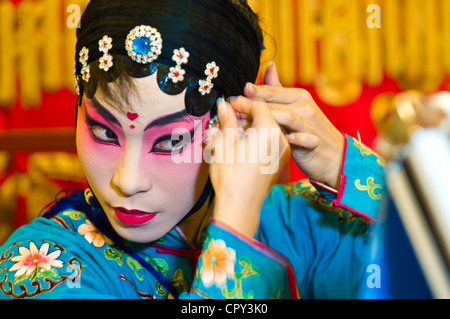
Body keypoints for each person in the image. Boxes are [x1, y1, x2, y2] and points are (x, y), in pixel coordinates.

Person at [0, 0, 384, 299]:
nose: (127, 181)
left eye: (171, 141)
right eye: (103, 131)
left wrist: (345, 165)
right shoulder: (42, 264)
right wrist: (234, 223)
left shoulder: (298, 225)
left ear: (237, 125)